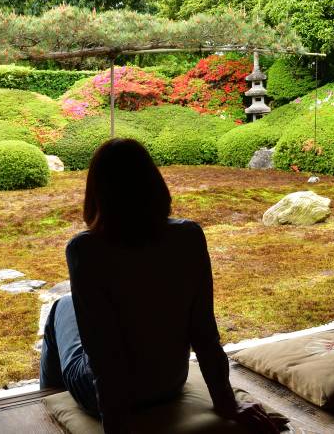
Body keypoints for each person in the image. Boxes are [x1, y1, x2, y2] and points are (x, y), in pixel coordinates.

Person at [40, 138, 280, 434]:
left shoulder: (85, 250)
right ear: (154, 182)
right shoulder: (189, 236)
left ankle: (46, 404)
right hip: (169, 382)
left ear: (97, 191)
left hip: (109, 396)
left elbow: (104, 354)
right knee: (67, 307)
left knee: (61, 307)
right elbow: (204, 332)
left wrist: (117, 426)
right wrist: (227, 402)